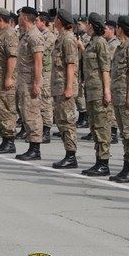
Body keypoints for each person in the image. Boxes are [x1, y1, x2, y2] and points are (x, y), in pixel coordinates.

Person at [109, 16, 129, 183]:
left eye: (117, 27)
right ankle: (126, 166)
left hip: (127, 97)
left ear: (121, 29)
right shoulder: (120, 47)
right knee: (124, 134)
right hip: (119, 95)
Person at [80, 13, 112, 176]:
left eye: (87, 23)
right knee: (94, 126)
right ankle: (98, 160)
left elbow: (105, 68)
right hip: (91, 90)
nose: (85, 26)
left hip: (99, 91)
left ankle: (104, 163)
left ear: (91, 25)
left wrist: (107, 91)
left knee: (101, 127)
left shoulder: (100, 43)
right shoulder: (92, 42)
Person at [13, 7, 45, 160]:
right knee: (26, 113)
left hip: (31, 81)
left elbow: (38, 62)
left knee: (32, 114)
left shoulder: (34, 36)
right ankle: (31, 145)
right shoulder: (25, 35)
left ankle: (35, 148)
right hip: (23, 80)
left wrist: (37, 83)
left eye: (20, 16)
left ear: (25, 17)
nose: (18, 18)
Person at [0, 7, 19, 154]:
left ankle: (9, 141)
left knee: (6, 109)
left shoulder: (10, 34)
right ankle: (4, 140)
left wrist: (9, 78)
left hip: (3, 80)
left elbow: (12, 57)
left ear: (0, 19)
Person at [51, 9, 79, 168]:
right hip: (58, 86)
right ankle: (68, 153)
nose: (54, 21)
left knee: (67, 121)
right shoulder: (61, 38)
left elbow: (70, 64)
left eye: (56, 18)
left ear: (60, 21)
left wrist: (69, 87)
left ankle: (71, 155)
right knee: (61, 120)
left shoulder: (68, 39)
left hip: (64, 87)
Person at [37, 11, 57, 144]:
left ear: (43, 22)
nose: (35, 23)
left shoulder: (49, 36)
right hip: (39, 71)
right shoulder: (39, 35)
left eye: (37, 21)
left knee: (45, 101)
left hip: (46, 72)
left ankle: (46, 130)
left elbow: (41, 50)